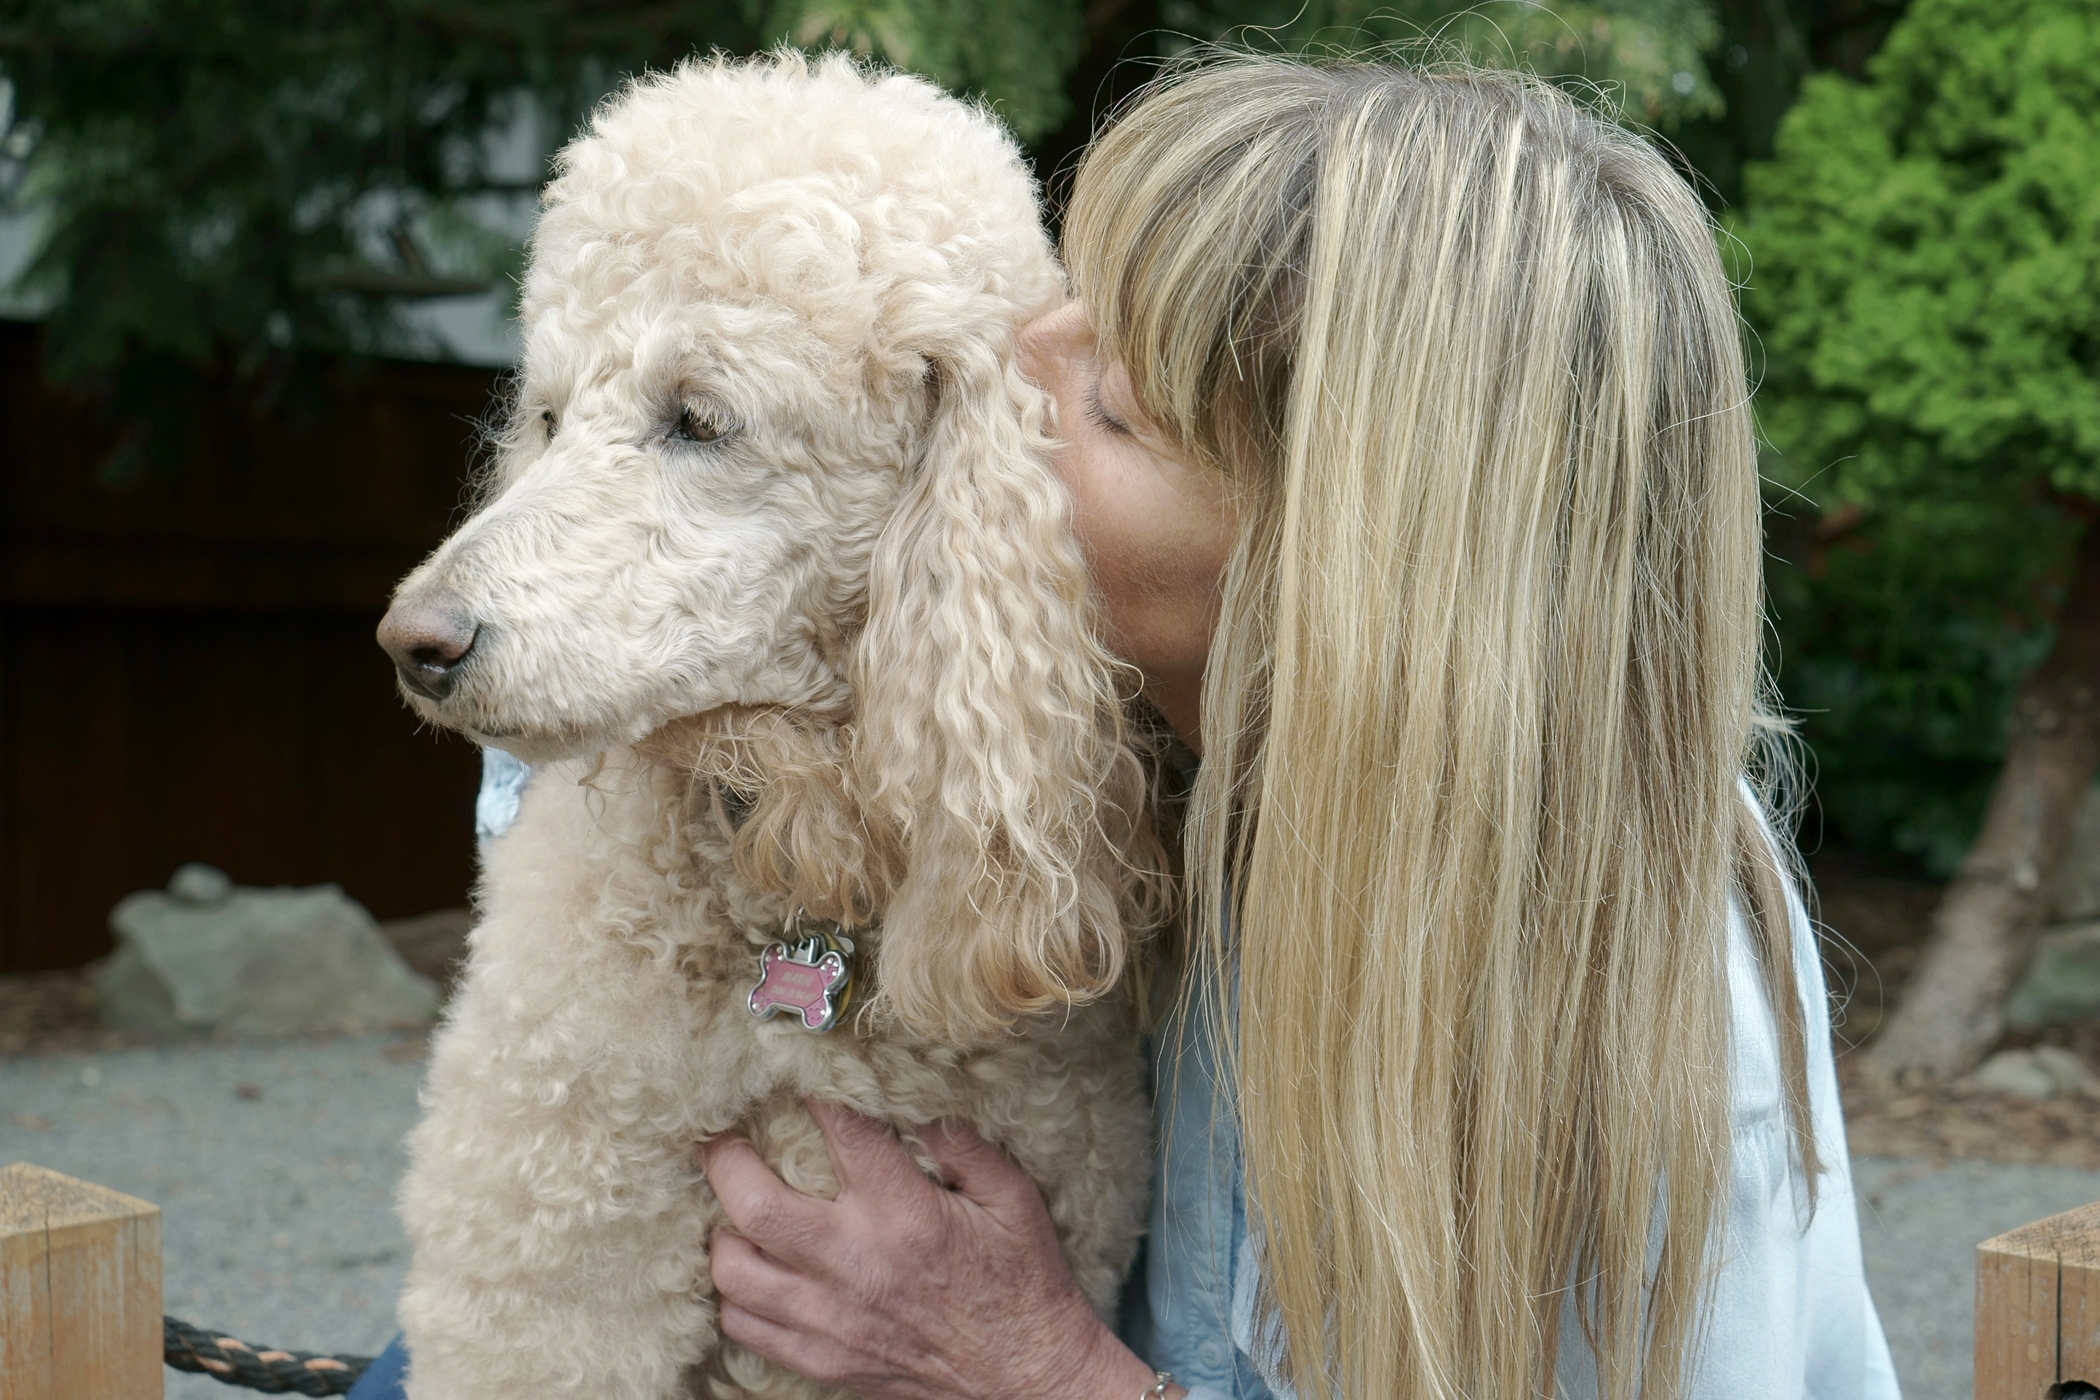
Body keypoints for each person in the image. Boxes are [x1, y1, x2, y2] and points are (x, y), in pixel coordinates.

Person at [353, 52, 1899, 1400]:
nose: (1015, 369)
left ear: (1330, 562)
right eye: (1068, 301)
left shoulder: (1632, 987)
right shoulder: (1100, 727)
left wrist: (1039, 1373)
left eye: (1108, 406)